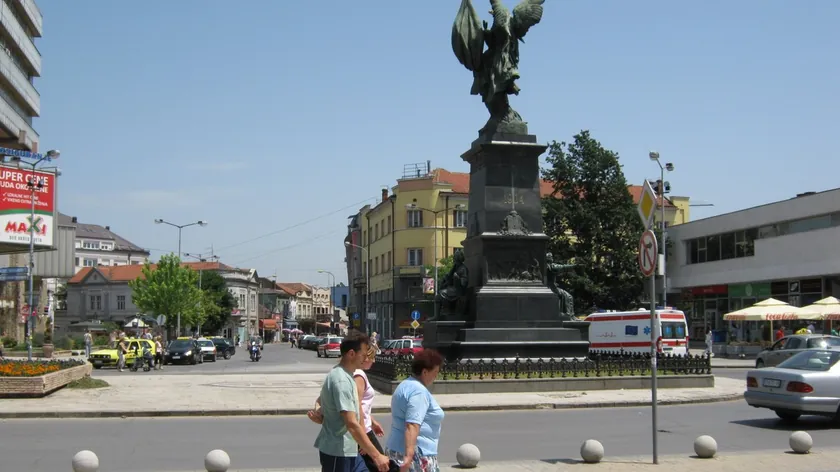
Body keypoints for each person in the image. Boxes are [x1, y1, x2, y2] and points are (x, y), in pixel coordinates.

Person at [309, 332, 389, 472]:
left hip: (349, 449)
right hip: (338, 451)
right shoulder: (341, 380)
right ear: (351, 354)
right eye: (363, 355)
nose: (366, 359)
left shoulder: (346, 375)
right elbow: (351, 423)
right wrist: (376, 456)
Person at [386, 349, 445, 472]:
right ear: (425, 372)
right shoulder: (419, 392)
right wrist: (409, 456)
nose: (436, 376)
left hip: (396, 449)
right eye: (435, 372)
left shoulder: (404, 385)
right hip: (418, 455)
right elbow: (412, 424)